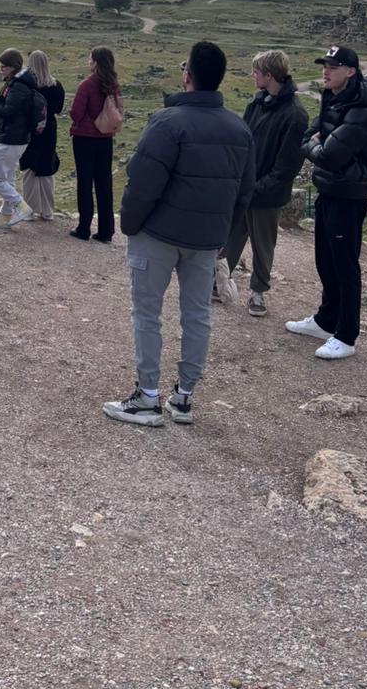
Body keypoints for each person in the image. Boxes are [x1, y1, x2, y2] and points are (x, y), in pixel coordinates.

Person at [104, 41, 254, 429]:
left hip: (158, 233)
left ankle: (147, 397)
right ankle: (184, 397)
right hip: (206, 240)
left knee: (147, 313)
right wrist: (223, 236)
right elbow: (243, 193)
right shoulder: (239, 129)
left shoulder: (167, 122)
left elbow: (142, 182)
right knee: (197, 315)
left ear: (188, 75)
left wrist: (129, 224)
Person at [287, 44, 367, 361]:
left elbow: (329, 155)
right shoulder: (335, 98)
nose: (325, 72)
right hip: (330, 189)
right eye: (324, 65)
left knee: (344, 265)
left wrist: (314, 145)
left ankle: (346, 335)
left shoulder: (362, 110)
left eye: (333, 66)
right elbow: (310, 136)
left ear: (351, 72)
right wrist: (316, 144)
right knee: (325, 260)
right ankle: (325, 321)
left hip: (348, 195)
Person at [222, 50, 308, 317]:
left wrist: (258, 188)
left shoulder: (295, 115)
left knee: (263, 244)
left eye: (256, 71)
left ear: (269, 75)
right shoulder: (257, 102)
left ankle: (257, 292)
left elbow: (287, 167)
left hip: (267, 194)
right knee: (233, 235)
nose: (252, 75)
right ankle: (220, 281)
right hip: (245, 186)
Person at [0, 50, 43, 228]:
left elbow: (7, 112)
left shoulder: (18, 86)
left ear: (13, 67)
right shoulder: (17, 83)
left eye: (3, 67)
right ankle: (4, 216)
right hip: (17, 137)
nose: (1, 70)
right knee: (7, 178)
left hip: (10, 138)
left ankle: (20, 205)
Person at [68, 46, 122, 243]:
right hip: (105, 138)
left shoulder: (87, 85)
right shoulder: (113, 84)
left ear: (97, 62)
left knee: (85, 183)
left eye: (90, 59)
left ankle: (84, 228)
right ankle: (106, 230)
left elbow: (76, 113)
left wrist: (72, 112)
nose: (88, 62)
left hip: (84, 139)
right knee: (104, 183)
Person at [17, 49, 65, 221]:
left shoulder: (27, 85)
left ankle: (29, 210)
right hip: (49, 129)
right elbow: (58, 109)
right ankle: (47, 210)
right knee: (46, 167)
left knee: (28, 168)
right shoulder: (56, 85)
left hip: (30, 129)